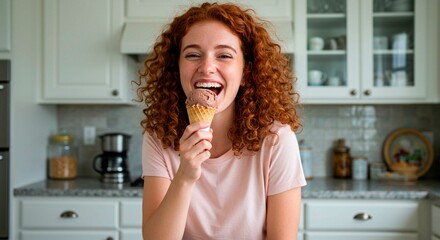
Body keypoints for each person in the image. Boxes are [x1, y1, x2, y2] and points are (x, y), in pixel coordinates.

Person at [135, 2, 306, 239]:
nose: (207, 67)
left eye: (224, 55)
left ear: (246, 72)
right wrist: (185, 176)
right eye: (193, 54)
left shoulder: (277, 140)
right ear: (177, 68)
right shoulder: (159, 138)